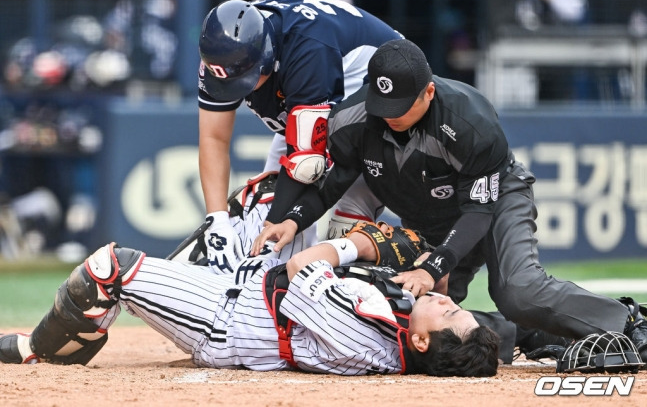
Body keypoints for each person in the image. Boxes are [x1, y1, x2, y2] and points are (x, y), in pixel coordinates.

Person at [250, 38, 647, 363]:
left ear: (429, 91)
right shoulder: (354, 118)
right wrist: (295, 217)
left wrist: (436, 264)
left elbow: (478, 209)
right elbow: (336, 179)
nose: (391, 116)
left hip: (494, 198)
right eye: (382, 105)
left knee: (517, 291)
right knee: (414, 318)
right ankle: (530, 333)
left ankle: (628, 321)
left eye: (402, 108)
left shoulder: (470, 120)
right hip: (428, 218)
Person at [0, 195, 500, 377]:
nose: (447, 302)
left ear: (419, 340)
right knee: (269, 193)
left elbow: (304, 271)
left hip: (227, 323)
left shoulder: (366, 342)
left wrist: (356, 246)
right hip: (253, 292)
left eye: (450, 314)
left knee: (108, 268)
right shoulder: (402, 326)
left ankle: (42, 352)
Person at [197, 0, 404, 272]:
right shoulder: (222, 54)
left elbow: (305, 162)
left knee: (340, 220)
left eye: (243, 78)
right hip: (311, 102)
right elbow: (213, 138)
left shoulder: (307, 50)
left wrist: (274, 224)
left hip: (379, 86)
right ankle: (271, 292)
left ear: (267, 54)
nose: (237, 88)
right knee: (270, 205)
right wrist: (217, 219)